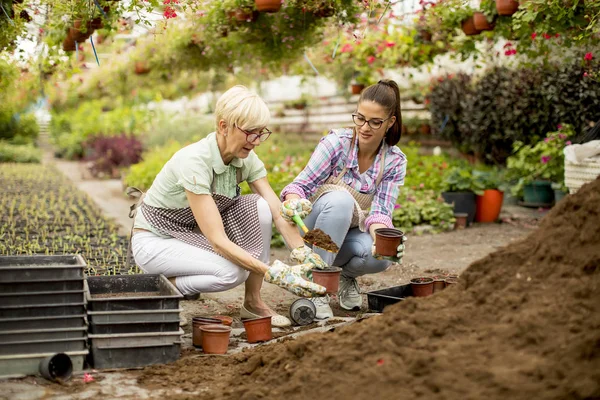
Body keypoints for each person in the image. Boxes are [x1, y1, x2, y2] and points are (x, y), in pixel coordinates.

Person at [130, 85, 328, 328]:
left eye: (261, 133)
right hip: (154, 240)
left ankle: (253, 303)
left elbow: (277, 210)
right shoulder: (195, 162)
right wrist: (273, 272)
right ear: (224, 126)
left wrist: (302, 253)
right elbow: (217, 239)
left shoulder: (245, 159)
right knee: (231, 273)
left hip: (190, 236)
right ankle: (160, 288)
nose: (256, 141)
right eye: (250, 132)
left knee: (262, 207)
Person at [280, 79, 407, 319]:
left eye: (375, 122)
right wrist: (293, 200)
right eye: (359, 118)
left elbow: (380, 213)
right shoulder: (336, 143)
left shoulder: (394, 161)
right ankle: (316, 289)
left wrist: (385, 241)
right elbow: (299, 186)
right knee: (341, 201)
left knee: (379, 258)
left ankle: (343, 276)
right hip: (313, 235)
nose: (364, 127)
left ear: (390, 123)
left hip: (343, 238)